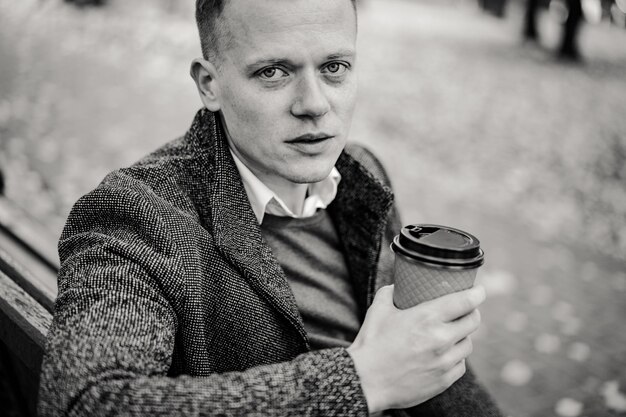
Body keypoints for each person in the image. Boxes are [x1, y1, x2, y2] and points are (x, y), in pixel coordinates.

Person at [38, 0, 503, 415]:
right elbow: (86, 401)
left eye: (334, 67)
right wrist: (363, 381)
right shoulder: (138, 215)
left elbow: (427, 364)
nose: (315, 104)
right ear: (209, 84)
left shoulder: (364, 172)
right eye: (273, 72)